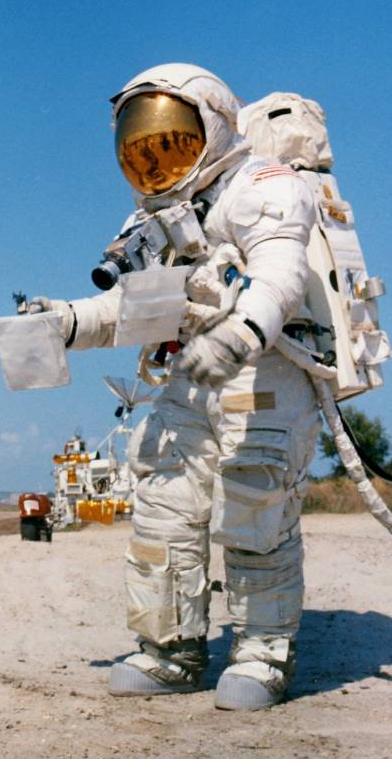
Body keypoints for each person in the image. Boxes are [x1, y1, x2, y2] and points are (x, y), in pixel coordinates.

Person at [26, 64, 319, 710]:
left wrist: (241, 333)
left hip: (264, 365)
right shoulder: (155, 221)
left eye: (174, 143)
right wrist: (66, 321)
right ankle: (170, 651)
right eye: (143, 151)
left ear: (212, 128)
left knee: (254, 510)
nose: (158, 160)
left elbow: (280, 272)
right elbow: (138, 308)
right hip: (192, 370)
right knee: (163, 506)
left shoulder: (264, 186)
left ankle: (263, 653)